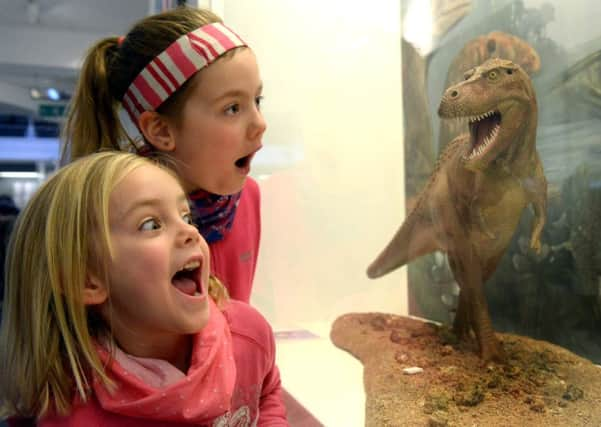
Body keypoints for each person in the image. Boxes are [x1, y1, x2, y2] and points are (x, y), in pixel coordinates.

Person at [0, 152, 288, 426]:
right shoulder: (70, 409)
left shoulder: (248, 334)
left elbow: (266, 388)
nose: (190, 232)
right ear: (87, 281)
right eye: (151, 224)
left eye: (186, 217)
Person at [61, 6, 266, 303]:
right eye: (232, 108)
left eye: (257, 100)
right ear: (161, 131)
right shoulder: (116, 219)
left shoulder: (247, 197)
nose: (260, 124)